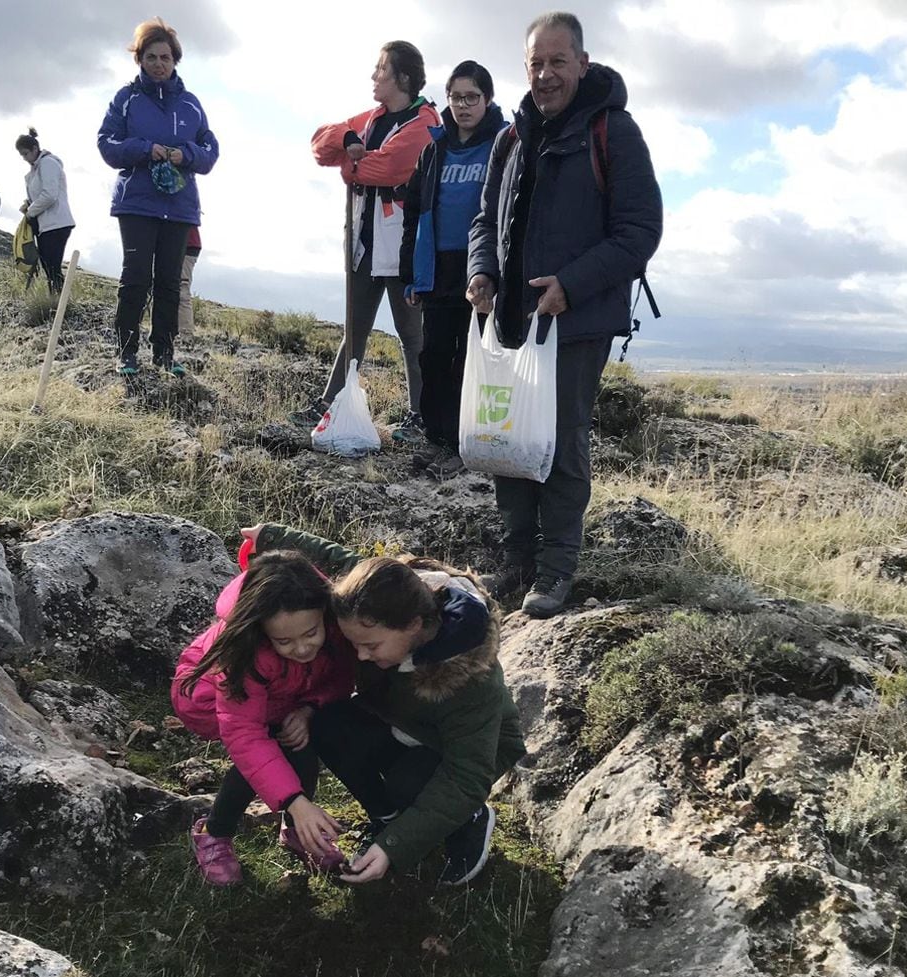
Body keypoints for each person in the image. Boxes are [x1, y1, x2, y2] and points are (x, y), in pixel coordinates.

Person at [467, 11, 662, 618]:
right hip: (511, 319)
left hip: (575, 321)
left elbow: (639, 232)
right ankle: (515, 560)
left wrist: (570, 286)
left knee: (562, 444)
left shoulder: (614, 132)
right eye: (535, 64)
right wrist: (481, 272)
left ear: (582, 62)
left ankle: (554, 573)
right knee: (508, 438)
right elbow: (483, 222)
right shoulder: (510, 138)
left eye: (557, 62)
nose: (545, 75)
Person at [244, 523, 526, 887]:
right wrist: (268, 535)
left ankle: (468, 821)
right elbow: (335, 559)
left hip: (468, 750)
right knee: (327, 724)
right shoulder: (383, 591)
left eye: (371, 647)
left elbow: (466, 774)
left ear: (413, 626)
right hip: (399, 721)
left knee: (410, 784)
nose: (358, 654)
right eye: (354, 643)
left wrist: (394, 848)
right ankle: (387, 819)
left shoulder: (472, 678)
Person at [171, 550, 355, 885]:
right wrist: (295, 802)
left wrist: (309, 708)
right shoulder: (241, 652)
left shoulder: (334, 620)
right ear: (261, 630)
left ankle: (300, 832)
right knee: (262, 752)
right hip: (212, 698)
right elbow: (245, 734)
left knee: (298, 742)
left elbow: (341, 676)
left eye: (311, 634)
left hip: (290, 694)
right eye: (284, 640)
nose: (302, 648)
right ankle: (214, 832)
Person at [290, 42, 440, 442]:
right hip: (364, 242)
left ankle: (420, 415)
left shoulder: (424, 123)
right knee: (354, 329)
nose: (374, 76)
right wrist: (350, 138)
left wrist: (350, 159)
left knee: (412, 334)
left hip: (402, 247)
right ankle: (329, 403)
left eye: (381, 69)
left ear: (403, 78)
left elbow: (390, 168)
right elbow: (322, 140)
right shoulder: (372, 119)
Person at [400, 61, 507, 479]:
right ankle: (437, 436)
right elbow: (415, 213)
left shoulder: (504, 143)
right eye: (456, 97)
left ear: (488, 99)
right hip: (438, 268)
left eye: (472, 97)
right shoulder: (434, 149)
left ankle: (469, 440)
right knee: (434, 354)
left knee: (474, 358)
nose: (463, 106)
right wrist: (412, 271)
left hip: (482, 267)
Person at [98, 17, 219, 377]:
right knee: (136, 276)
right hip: (136, 203)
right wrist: (144, 148)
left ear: (175, 60)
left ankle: (164, 355)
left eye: (165, 57)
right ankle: (126, 353)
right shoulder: (126, 99)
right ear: (140, 59)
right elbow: (107, 144)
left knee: (169, 281)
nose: (159, 64)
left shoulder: (192, 104)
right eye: (151, 57)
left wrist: (188, 156)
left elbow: (210, 150)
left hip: (180, 207)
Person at [15, 128, 75, 293]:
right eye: (22, 155)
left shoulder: (48, 163)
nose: (25, 158)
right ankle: (56, 302)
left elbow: (50, 194)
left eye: (26, 153)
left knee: (52, 267)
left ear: (35, 149)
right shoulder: (36, 169)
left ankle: (59, 305)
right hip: (46, 224)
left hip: (56, 223)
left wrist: (30, 212)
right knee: (49, 268)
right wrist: (29, 203)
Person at [178, 224, 201, 339]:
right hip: (189, 243)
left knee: (182, 289)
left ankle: (185, 333)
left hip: (186, 243)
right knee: (181, 287)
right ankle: (183, 331)